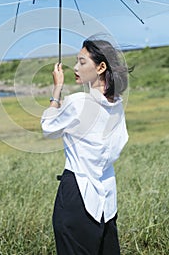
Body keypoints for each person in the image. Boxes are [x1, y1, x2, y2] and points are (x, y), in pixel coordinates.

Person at [41, 38, 130, 255]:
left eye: (82, 62)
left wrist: (56, 91)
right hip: (107, 199)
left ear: (101, 67)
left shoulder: (78, 102)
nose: (75, 67)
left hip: (76, 194)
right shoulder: (117, 105)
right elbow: (118, 144)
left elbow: (48, 127)